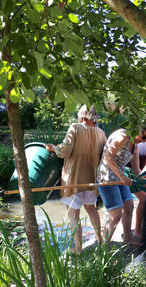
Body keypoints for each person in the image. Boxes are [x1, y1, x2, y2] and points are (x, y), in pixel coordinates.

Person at [45, 105, 106, 254]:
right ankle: (100, 239)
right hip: (92, 178)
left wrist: (53, 148)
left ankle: (77, 248)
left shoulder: (75, 127)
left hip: (74, 178)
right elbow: (105, 155)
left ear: (81, 115)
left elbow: (65, 150)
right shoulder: (101, 132)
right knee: (91, 208)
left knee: (73, 213)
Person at [97, 125, 146, 245]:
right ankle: (103, 248)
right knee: (115, 215)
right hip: (107, 179)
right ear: (138, 129)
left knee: (129, 206)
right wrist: (122, 176)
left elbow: (136, 170)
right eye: (143, 136)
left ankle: (127, 238)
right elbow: (108, 156)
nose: (144, 141)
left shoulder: (135, 146)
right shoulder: (123, 136)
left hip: (120, 178)